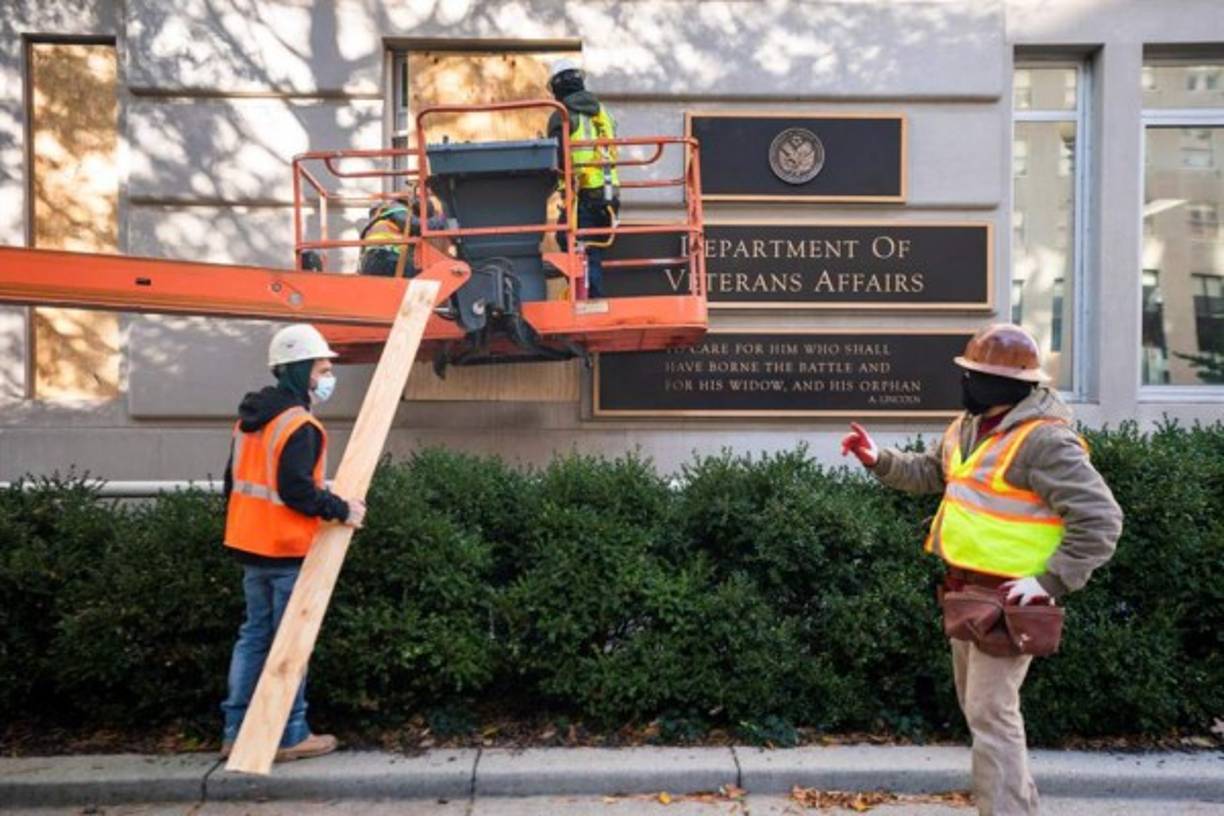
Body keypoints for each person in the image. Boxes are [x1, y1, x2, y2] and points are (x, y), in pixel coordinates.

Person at [841, 323, 1123, 816]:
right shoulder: (968, 426)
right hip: (966, 595)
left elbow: (1101, 519)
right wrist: (877, 459)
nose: (966, 382)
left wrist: (1048, 581)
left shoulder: (1044, 442)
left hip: (1011, 603)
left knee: (992, 717)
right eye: (967, 373)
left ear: (1010, 384)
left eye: (975, 375)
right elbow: (932, 473)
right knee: (984, 716)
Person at [219, 323, 367, 762]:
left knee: (254, 637)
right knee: (291, 644)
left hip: (250, 543)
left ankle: (235, 730)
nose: (326, 378)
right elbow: (296, 491)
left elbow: (233, 484)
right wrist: (343, 509)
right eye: (322, 369)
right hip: (285, 548)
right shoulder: (299, 425)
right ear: (300, 370)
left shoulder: (251, 419)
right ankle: (290, 734)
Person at [546, 57, 619, 298]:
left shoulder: (562, 114)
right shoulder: (603, 113)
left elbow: (557, 158)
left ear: (556, 86)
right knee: (590, 249)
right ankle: (586, 293)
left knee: (576, 246)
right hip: (609, 194)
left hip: (583, 193)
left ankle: (591, 300)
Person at [358, 195, 446, 277]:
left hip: (377, 260)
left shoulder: (384, 218)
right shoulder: (397, 207)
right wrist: (443, 220)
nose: (419, 218)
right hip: (383, 257)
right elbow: (416, 225)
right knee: (426, 276)